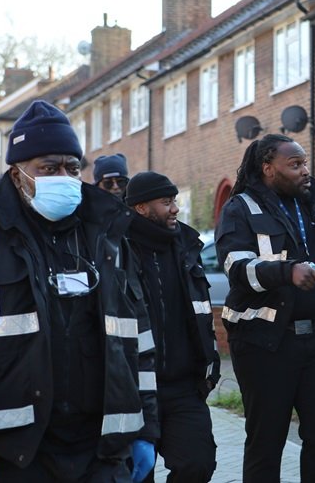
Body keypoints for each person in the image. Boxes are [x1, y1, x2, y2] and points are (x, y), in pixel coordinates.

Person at [0, 100, 159, 483]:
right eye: (48, 167)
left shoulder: (107, 237)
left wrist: (146, 428)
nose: (63, 176)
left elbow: (137, 341)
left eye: (72, 168)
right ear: (17, 174)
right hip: (15, 454)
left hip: (102, 451)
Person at [214, 133, 315, 483]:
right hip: (266, 342)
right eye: (295, 165)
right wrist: (287, 272)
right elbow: (237, 268)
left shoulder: (313, 204)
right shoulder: (240, 209)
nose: (305, 171)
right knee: (267, 441)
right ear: (268, 169)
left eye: (305, 163)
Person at [123, 171, 220, 483]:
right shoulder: (114, 249)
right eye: (166, 202)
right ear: (140, 207)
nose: (175, 209)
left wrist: (209, 369)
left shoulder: (187, 247)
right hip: (131, 390)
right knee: (137, 474)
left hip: (183, 387)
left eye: (174, 201)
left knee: (198, 464)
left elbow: (202, 314)